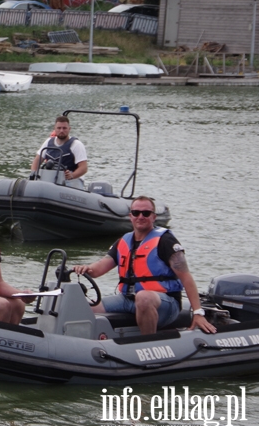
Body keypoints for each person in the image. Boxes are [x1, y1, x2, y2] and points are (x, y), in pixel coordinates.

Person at [73, 196, 215, 335]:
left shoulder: (165, 241)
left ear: (153, 217)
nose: (140, 216)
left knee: (143, 298)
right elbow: (98, 269)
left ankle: (148, 345)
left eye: (146, 213)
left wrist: (198, 313)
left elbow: (186, 278)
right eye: (136, 213)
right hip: (127, 300)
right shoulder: (123, 241)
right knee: (86, 308)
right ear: (131, 216)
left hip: (165, 303)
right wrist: (85, 268)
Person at [31, 115, 88, 181]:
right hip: (50, 179)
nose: (61, 130)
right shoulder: (48, 142)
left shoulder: (76, 144)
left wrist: (72, 175)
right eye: (59, 128)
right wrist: (34, 174)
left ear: (69, 129)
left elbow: (84, 168)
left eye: (64, 128)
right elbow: (37, 160)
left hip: (71, 180)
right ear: (54, 129)